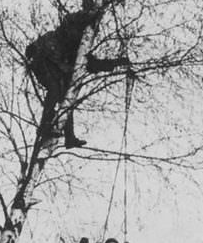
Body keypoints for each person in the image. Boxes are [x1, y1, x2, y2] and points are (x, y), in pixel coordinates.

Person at [24, 10, 132, 149]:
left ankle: (69, 137)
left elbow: (94, 64)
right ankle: (45, 126)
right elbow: (70, 21)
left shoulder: (78, 49)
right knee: (55, 90)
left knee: (67, 99)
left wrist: (118, 62)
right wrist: (93, 14)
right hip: (41, 60)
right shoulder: (60, 33)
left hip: (53, 66)